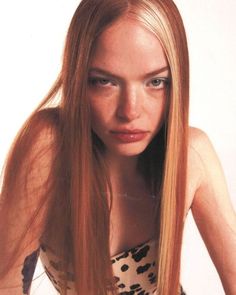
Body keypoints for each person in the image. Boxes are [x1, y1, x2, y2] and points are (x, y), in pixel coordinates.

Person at [0, 0, 235, 294]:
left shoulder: (192, 154)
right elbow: (5, 283)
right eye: (105, 81)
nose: (130, 111)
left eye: (156, 82)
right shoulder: (49, 146)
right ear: (77, 80)